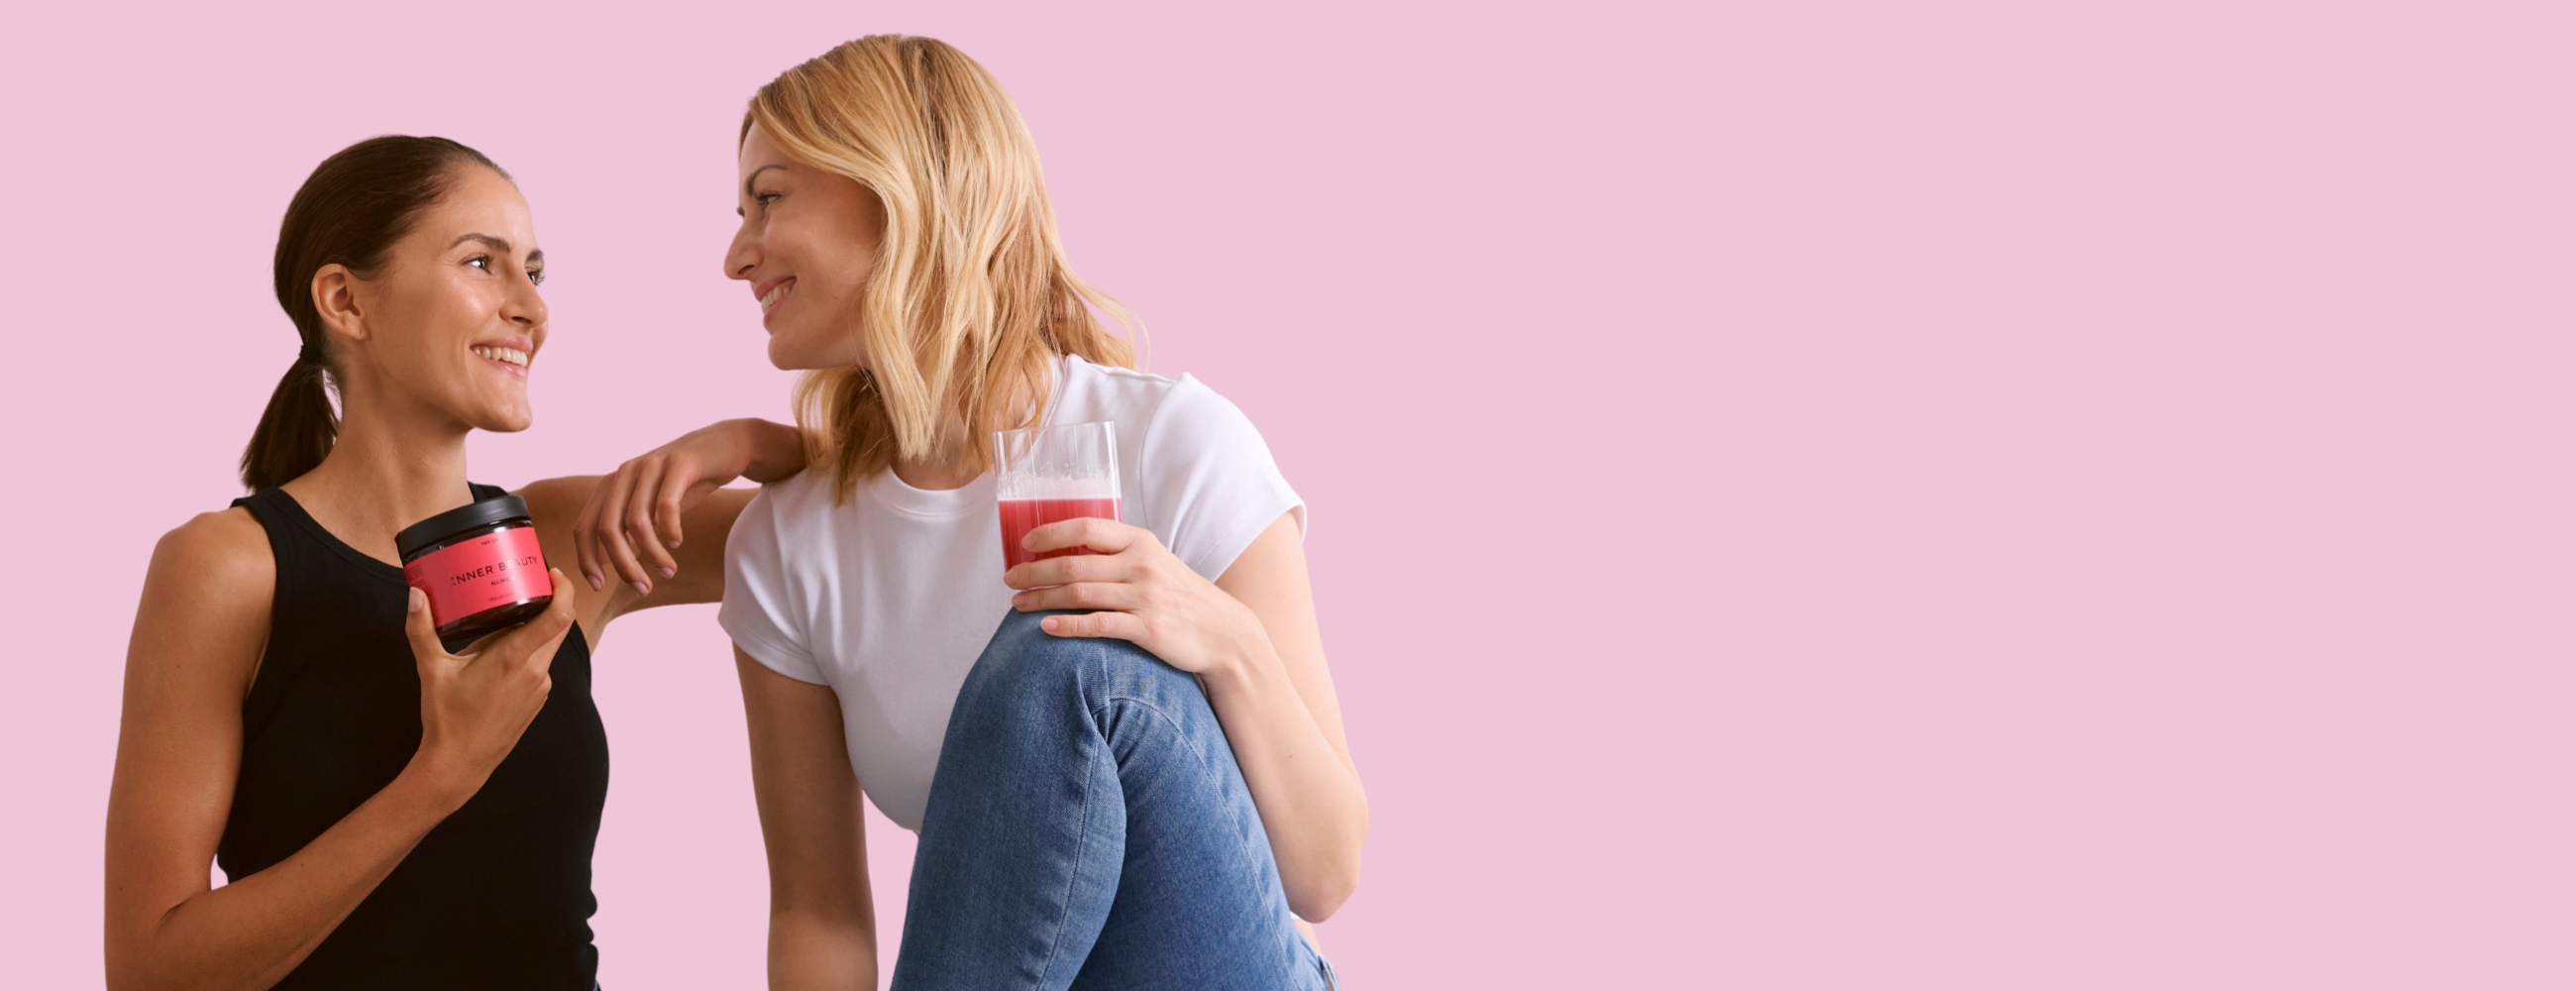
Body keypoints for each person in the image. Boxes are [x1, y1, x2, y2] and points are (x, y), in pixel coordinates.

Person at [575, 36, 1366, 990]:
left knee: (1071, 658)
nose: (737, 253)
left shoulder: (1171, 440)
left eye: (769, 199)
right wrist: (744, 443)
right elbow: (817, 912)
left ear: (893, 188)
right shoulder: (791, 546)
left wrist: (1221, 637)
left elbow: (1323, 876)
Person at [102, 135, 769, 990]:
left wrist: (744, 438)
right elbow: (150, 970)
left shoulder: (567, 533)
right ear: (346, 301)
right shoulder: (230, 567)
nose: (530, 306)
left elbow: (879, 516)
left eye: (535, 270)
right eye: (482, 263)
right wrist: (439, 778)